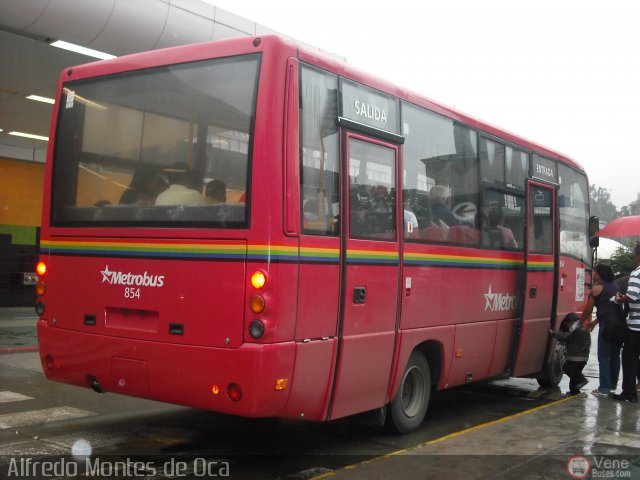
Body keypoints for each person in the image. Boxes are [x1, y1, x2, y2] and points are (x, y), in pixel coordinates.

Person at [581, 263, 622, 396]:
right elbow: (610, 308)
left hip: (607, 327)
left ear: (598, 274)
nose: (592, 274)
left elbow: (588, 310)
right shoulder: (616, 287)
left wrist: (579, 322)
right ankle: (613, 384)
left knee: (604, 356)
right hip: (619, 325)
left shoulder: (596, 288)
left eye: (593, 271)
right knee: (615, 356)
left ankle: (604, 387)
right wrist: (595, 321)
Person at [612, 242, 640, 403]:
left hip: (636, 326)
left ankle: (629, 393)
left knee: (630, 360)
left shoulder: (637, 273)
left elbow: (633, 295)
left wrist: (621, 299)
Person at [549, 312, 591, 395]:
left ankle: (581, 380)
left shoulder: (575, 328)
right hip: (584, 357)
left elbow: (566, 336)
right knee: (574, 374)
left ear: (570, 322)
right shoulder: (582, 326)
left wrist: (552, 333)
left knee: (566, 368)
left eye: (567, 324)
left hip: (575, 356)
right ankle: (574, 391)